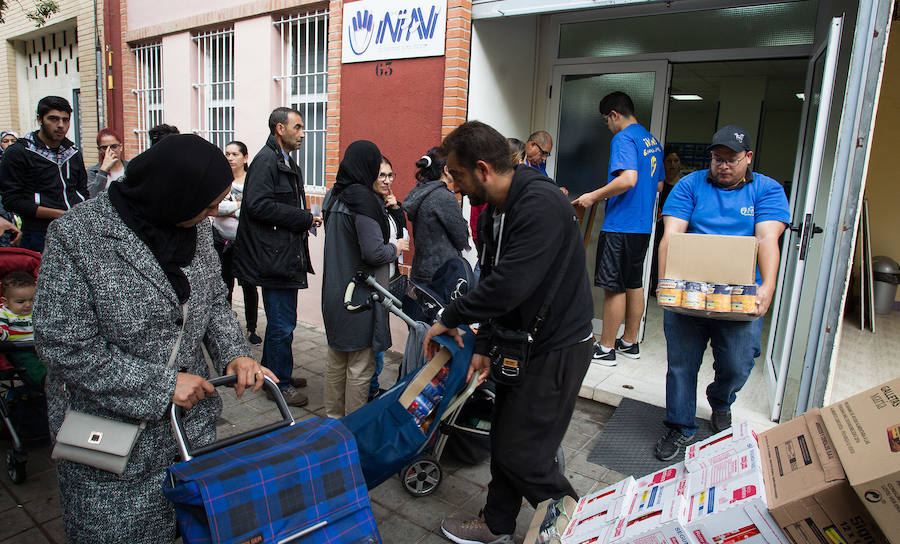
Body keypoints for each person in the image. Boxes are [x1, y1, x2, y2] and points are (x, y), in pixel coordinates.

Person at [33, 134, 276, 543]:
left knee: (195, 529)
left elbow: (214, 299)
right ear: (173, 192)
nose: (214, 213)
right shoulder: (76, 236)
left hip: (188, 431)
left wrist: (235, 353)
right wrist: (163, 387)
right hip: (112, 443)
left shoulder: (194, 227)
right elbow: (64, 345)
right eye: (209, 204)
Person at [423, 121, 593, 543]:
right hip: (521, 342)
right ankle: (497, 525)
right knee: (504, 440)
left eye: (458, 176)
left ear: (483, 169)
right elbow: (492, 281)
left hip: (558, 346)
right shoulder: (495, 211)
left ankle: (573, 525)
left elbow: (510, 285)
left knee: (525, 454)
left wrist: (451, 315)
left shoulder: (540, 204)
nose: (455, 188)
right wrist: (482, 342)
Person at [654, 125, 789, 461]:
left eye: (731, 159)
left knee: (737, 363)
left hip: (739, 296)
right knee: (682, 365)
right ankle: (680, 425)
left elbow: (766, 240)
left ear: (748, 158)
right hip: (689, 292)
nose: (723, 165)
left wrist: (768, 287)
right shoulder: (689, 185)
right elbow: (670, 234)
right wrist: (663, 282)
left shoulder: (767, 190)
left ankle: (721, 399)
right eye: (717, 159)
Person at [232, 107, 317, 407]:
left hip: (285, 255)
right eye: (298, 127)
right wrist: (303, 217)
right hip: (275, 258)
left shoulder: (284, 161)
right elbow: (256, 206)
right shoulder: (266, 160)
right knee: (282, 324)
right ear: (280, 128)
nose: (303, 133)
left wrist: (303, 219)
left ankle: (276, 373)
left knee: (285, 322)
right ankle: (277, 382)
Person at [572, 91, 663, 366]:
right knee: (634, 283)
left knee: (614, 287)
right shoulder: (651, 141)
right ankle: (629, 342)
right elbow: (658, 185)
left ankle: (607, 347)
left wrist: (593, 196)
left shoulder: (623, 137)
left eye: (606, 121)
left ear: (613, 115)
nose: (608, 126)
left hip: (621, 224)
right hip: (642, 227)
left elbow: (628, 179)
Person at [321, 140, 408, 418]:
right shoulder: (362, 201)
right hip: (359, 296)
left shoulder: (334, 195)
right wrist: (396, 247)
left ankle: (332, 424)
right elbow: (373, 252)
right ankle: (353, 430)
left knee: (337, 359)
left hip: (334, 290)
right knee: (359, 366)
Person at [0, 96, 88, 253]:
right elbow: (12, 200)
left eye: (65, 120)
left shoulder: (73, 153)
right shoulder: (18, 153)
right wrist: (59, 214)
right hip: (38, 234)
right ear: (40, 119)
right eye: (53, 119)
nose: (60, 125)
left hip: (75, 231)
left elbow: (82, 191)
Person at [212, 141, 261, 344]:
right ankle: (226, 330)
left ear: (245, 157)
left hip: (245, 242)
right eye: (227, 154)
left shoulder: (253, 181)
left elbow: (253, 210)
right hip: (220, 241)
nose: (230, 158)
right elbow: (215, 207)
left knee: (249, 286)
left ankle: (251, 329)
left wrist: (230, 208)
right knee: (224, 287)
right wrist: (237, 207)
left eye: (234, 154)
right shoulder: (221, 178)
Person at [369, 155, 407, 400]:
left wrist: (396, 209)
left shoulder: (388, 204)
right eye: (381, 175)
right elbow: (379, 247)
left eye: (390, 175)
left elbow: (403, 234)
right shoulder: (369, 207)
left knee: (381, 339)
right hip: (375, 282)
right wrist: (396, 246)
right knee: (376, 341)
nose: (386, 180)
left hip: (389, 280)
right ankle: (370, 390)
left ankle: (372, 387)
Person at [403, 147, 470, 285]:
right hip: (443, 273)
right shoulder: (443, 197)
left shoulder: (421, 192)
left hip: (421, 270)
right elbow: (461, 239)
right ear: (446, 169)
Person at [0, 271, 44, 385]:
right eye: (20, 302)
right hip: (19, 349)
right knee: (31, 365)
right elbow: (4, 332)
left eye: (32, 300)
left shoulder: (38, 310)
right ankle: (45, 381)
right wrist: (1, 333)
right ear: (5, 302)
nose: (28, 305)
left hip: (40, 346)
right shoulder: (5, 313)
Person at [650, 146, 684, 291]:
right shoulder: (659, 186)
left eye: (676, 161)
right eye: (669, 161)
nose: (672, 164)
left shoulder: (683, 186)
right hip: (656, 227)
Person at [87, 127, 129, 198]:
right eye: (104, 148)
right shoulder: (92, 171)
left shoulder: (130, 167)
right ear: (99, 150)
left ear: (121, 147)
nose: (110, 151)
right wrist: (103, 170)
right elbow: (91, 197)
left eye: (114, 146)